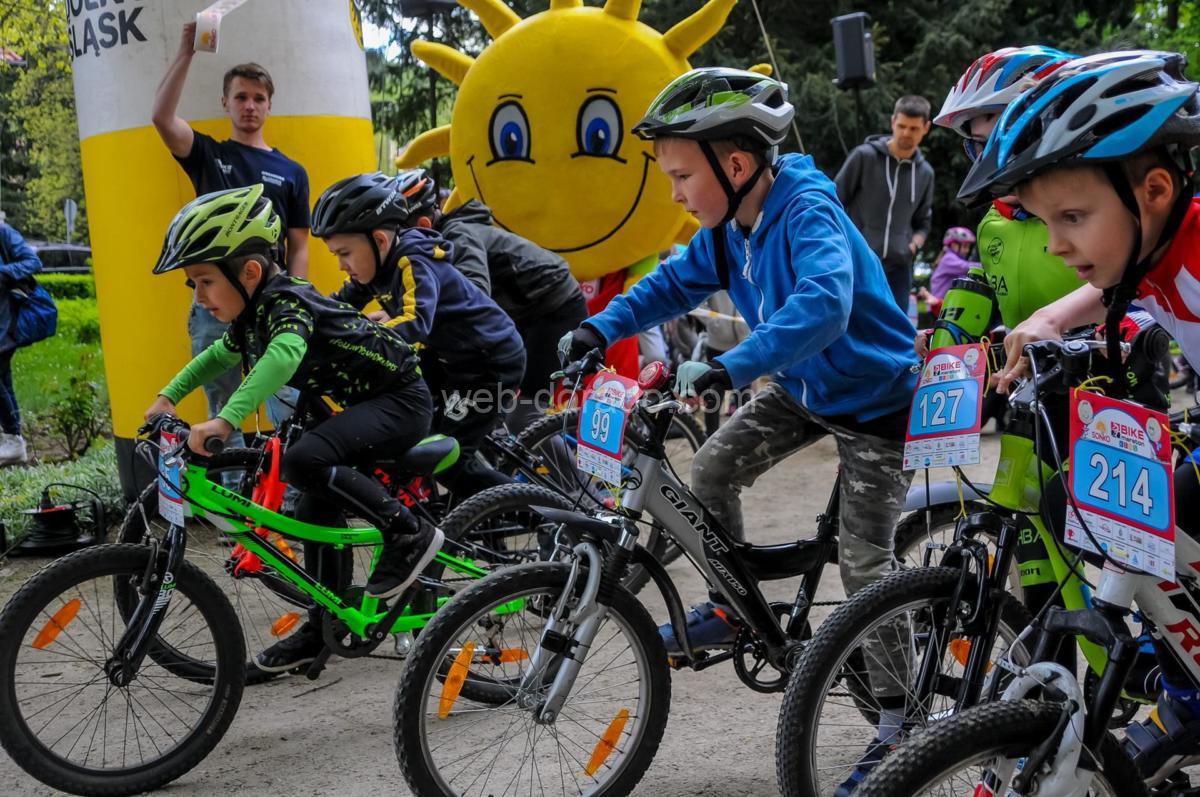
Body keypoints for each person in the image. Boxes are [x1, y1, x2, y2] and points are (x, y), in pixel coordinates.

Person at [558, 72, 918, 782]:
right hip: (805, 389)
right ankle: (731, 606)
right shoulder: (727, 229)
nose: (675, 194)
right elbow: (669, 285)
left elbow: (825, 305)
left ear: (737, 164)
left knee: (865, 565)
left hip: (877, 402)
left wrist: (731, 366)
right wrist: (601, 326)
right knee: (712, 467)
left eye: (681, 176)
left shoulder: (806, 209)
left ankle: (901, 721)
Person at [959, 49, 1200, 784]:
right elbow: (1109, 283)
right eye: (1043, 221)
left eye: (1071, 218)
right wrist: (1049, 318)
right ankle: (1185, 685)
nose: (1057, 244)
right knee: (1088, 504)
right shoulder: (1154, 242)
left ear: (1154, 190)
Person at [144, 184, 442, 672]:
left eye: (204, 281)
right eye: (192, 284)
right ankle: (324, 625)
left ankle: (408, 533)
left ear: (249, 272)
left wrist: (225, 419)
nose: (198, 296)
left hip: (400, 401)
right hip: (362, 403)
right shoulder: (254, 311)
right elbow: (217, 355)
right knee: (311, 504)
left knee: (305, 460)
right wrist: (167, 397)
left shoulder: (287, 302)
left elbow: (283, 357)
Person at [311, 172, 526, 498]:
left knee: (446, 461)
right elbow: (336, 307)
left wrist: (359, 336)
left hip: (490, 362)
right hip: (448, 356)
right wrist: (302, 322)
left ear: (379, 241)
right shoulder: (370, 266)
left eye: (344, 253)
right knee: (410, 428)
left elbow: (415, 321)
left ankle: (536, 514)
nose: (342, 265)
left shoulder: (412, 261)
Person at [152, 21, 311, 435]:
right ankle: (232, 475)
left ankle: (295, 476)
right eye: (241, 96)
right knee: (221, 407)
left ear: (269, 106)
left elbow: (299, 245)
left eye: (259, 98)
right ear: (226, 102)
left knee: (289, 400)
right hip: (216, 303)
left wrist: (296, 293)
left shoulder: (292, 171)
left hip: (272, 299)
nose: (250, 105)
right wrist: (186, 51)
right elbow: (161, 118)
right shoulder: (207, 154)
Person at [396, 169, 586, 427]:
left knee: (524, 415)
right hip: (523, 309)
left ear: (423, 226)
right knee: (479, 399)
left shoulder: (457, 236)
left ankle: (561, 456)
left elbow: (475, 295)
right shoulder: (434, 245)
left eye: (399, 235)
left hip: (555, 309)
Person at [930, 46, 1082, 333]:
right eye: (981, 145)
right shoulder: (991, 223)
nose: (996, 161)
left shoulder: (1100, 214)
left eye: (1014, 138)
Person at [834, 95, 935, 309]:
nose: (906, 133)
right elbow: (835, 201)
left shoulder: (925, 173)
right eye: (902, 126)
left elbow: (923, 223)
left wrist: (913, 245)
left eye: (914, 128)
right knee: (852, 322)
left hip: (898, 268)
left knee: (896, 327)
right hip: (857, 260)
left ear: (926, 128)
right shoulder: (864, 157)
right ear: (893, 122)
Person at [0, 221, 43, 465]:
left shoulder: (3, 232)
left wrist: (2, 273)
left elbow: (33, 262)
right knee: (4, 381)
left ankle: (13, 440)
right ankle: (14, 443)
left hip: (5, 322)